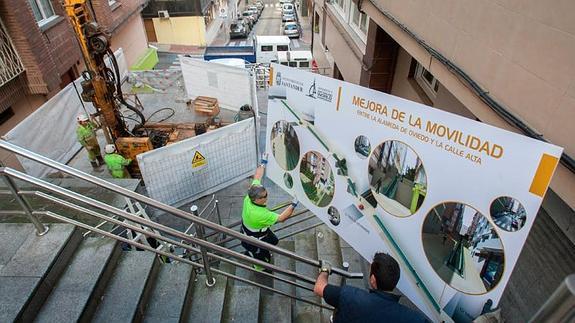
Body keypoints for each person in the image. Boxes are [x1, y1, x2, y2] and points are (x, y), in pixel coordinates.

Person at [314, 252, 429, 323]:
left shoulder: (350, 295)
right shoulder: (413, 318)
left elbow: (319, 287)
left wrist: (325, 270)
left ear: (373, 280)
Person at [241, 153, 298, 271]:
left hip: (249, 232)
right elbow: (282, 218)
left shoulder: (250, 195)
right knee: (259, 256)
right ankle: (259, 268)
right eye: (265, 196)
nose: (267, 195)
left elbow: (257, 177)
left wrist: (263, 163)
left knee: (274, 241)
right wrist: (294, 204)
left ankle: (261, 255)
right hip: (255, 241)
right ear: (257, 199)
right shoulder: (260, 214)